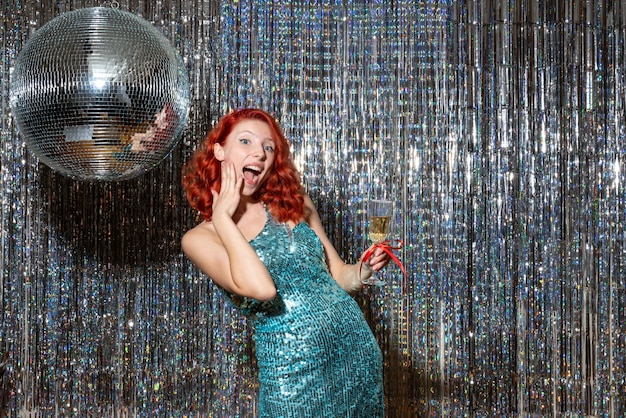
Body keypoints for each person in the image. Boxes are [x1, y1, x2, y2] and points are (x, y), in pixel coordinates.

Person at [181, 108, 390, 417]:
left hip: (355, 356)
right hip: (292, 375)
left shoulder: (296, 204)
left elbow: (338, 277)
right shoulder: (200, 239)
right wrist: (223, 215)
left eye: (268, 147)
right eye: (246, 142)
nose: (260, 153)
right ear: (219, 150)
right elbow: (262, 289)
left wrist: (363, 270)